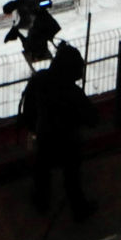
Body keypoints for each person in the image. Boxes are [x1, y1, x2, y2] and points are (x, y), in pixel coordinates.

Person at [17, 42, 98, 220]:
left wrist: (32, 128)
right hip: (69, 142)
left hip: (45, 137)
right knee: (72, 178)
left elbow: (28, 109)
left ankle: (41, 202)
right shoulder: (73, 92)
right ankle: (79, 209)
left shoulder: (39, 79)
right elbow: (92, 118)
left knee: (42, 172)